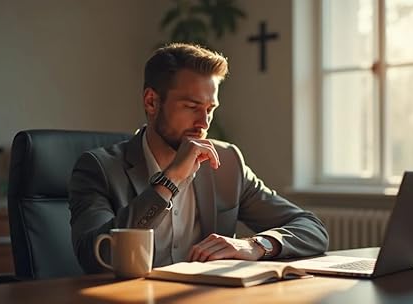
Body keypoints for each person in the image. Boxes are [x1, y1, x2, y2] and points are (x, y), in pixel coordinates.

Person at [69, 43, 328, 273]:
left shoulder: (226, 164)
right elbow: (96, 257)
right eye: (192, 107)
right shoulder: (98, 168)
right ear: (151, 102)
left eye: (209, 109)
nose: (203, 123)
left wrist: (256, 244)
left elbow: (311, 228)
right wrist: (169, 181)